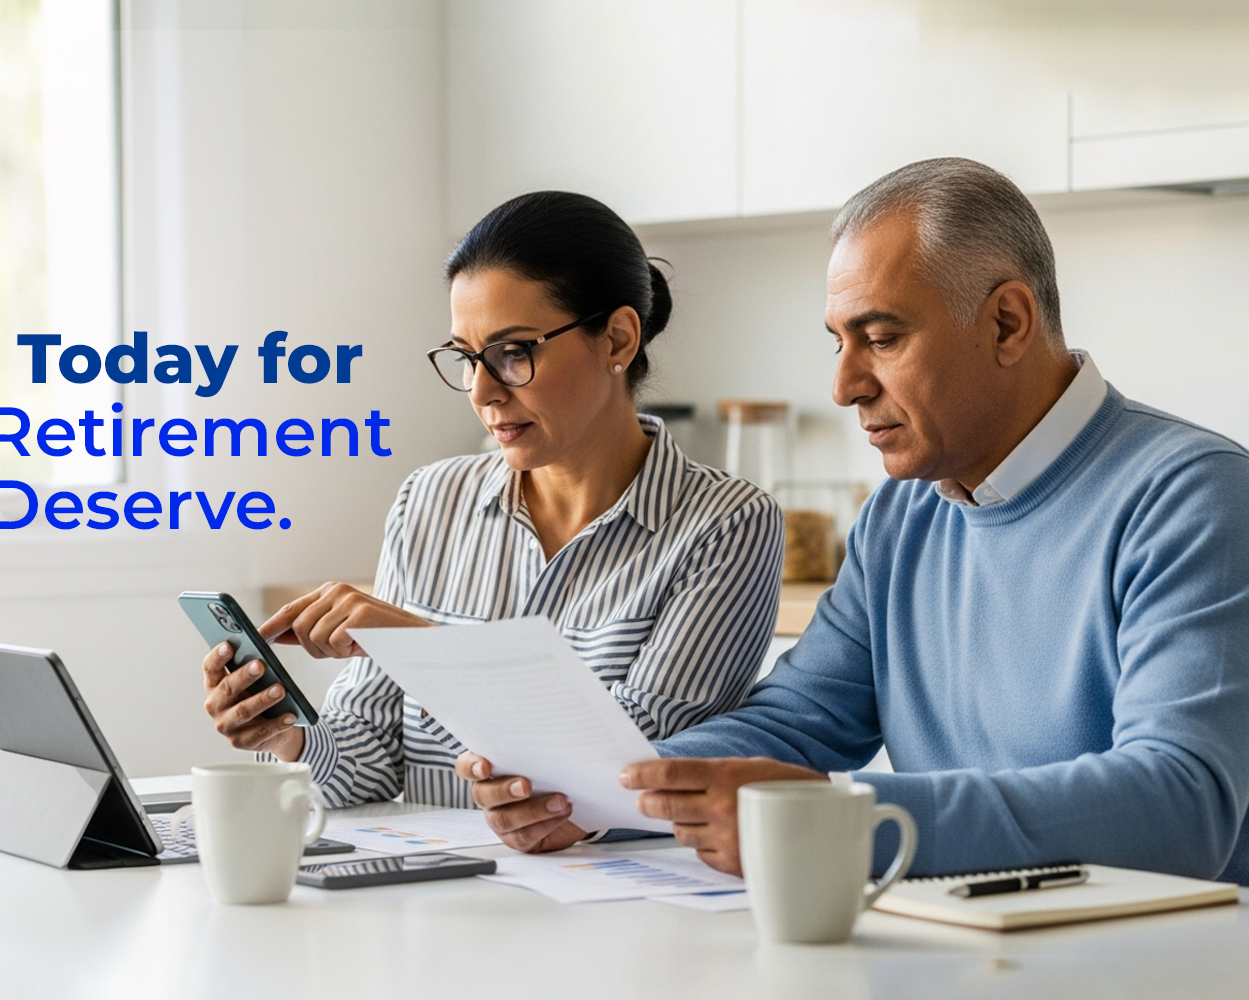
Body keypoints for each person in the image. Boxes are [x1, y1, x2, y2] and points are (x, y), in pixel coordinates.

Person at [461, 158, 1249, 882]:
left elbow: (1182, 802)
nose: (844, 387)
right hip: (975, 947)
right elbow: (799, 723)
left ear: (1008, 322)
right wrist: (594, 795)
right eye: (839, 342)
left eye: (881, 338)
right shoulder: (905, 514)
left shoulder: (1193, 498)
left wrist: (841, 820)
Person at [202, 191, 784, 839]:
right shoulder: (431, 501)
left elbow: (628, 771)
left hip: (615, 908)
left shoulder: (727, 524)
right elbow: (364, 759)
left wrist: (427, 648)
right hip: (443, 903)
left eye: (513, 352)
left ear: (617, 337)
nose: (482, 391)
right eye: (466, 357)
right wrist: (287, 736)